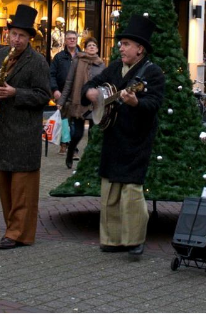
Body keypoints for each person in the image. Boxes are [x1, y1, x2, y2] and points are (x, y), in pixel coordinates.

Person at [83, 15, 165, 256]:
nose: (120, 47)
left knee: (131, 189)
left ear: (140, 49)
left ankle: (134, 240)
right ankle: (111, 239)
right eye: (121, 44)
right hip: (113, 135)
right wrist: (89, 92)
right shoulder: (116, 68)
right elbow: (93, 84)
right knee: (110, 188)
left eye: (126, 43)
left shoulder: (153, 73)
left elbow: (154, 103)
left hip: (136, 139)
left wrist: (136, 101)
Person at [0, 5, 51, 250]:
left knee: (22, 188)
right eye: (13, 34)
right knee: (3, 184)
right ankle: (12, 229)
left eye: (22, 36)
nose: (16, 39)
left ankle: (17, 233)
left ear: (29, 39)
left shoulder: (38, 62)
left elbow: (43, 96)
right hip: (1, 129)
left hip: (24, 132)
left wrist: (15, 93)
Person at [57, 37, 106, 168]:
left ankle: (89, 161)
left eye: (94, 45)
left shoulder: (101, 63)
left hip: (95, 103)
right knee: (78, 133)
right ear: (85, 48)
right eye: (89, 45)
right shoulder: (78, 60)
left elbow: (105, 84)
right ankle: (70, 151)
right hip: (79, 102)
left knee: (92, 132)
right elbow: (69, 81)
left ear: (97, 49)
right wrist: (62, 100)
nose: (91, 47)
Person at [50, 30, 82, 155]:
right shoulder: (59, 57)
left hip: (78, 94)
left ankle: (72, 146)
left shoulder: (82, 56)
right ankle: (64, 144)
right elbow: (51, 74)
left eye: (74, 38)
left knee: (75, 120)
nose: (72, 40)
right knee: (64, 121)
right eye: (70, 38)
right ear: (65, 41)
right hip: (62, 93)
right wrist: (55, 90)